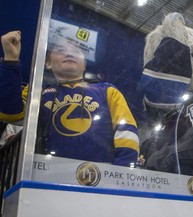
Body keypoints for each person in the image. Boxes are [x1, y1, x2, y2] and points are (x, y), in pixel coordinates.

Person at [0, 30, 139, 166]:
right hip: (45, 177)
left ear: (84, 65)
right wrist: (10, 61)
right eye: (60, 50)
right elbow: (10, 113)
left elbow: (127, 131)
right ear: (47, 62)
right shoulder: (37, 90)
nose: (69, 53)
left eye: (77, 51)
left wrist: (120, 172)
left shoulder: (108, 91)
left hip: (100, 178)